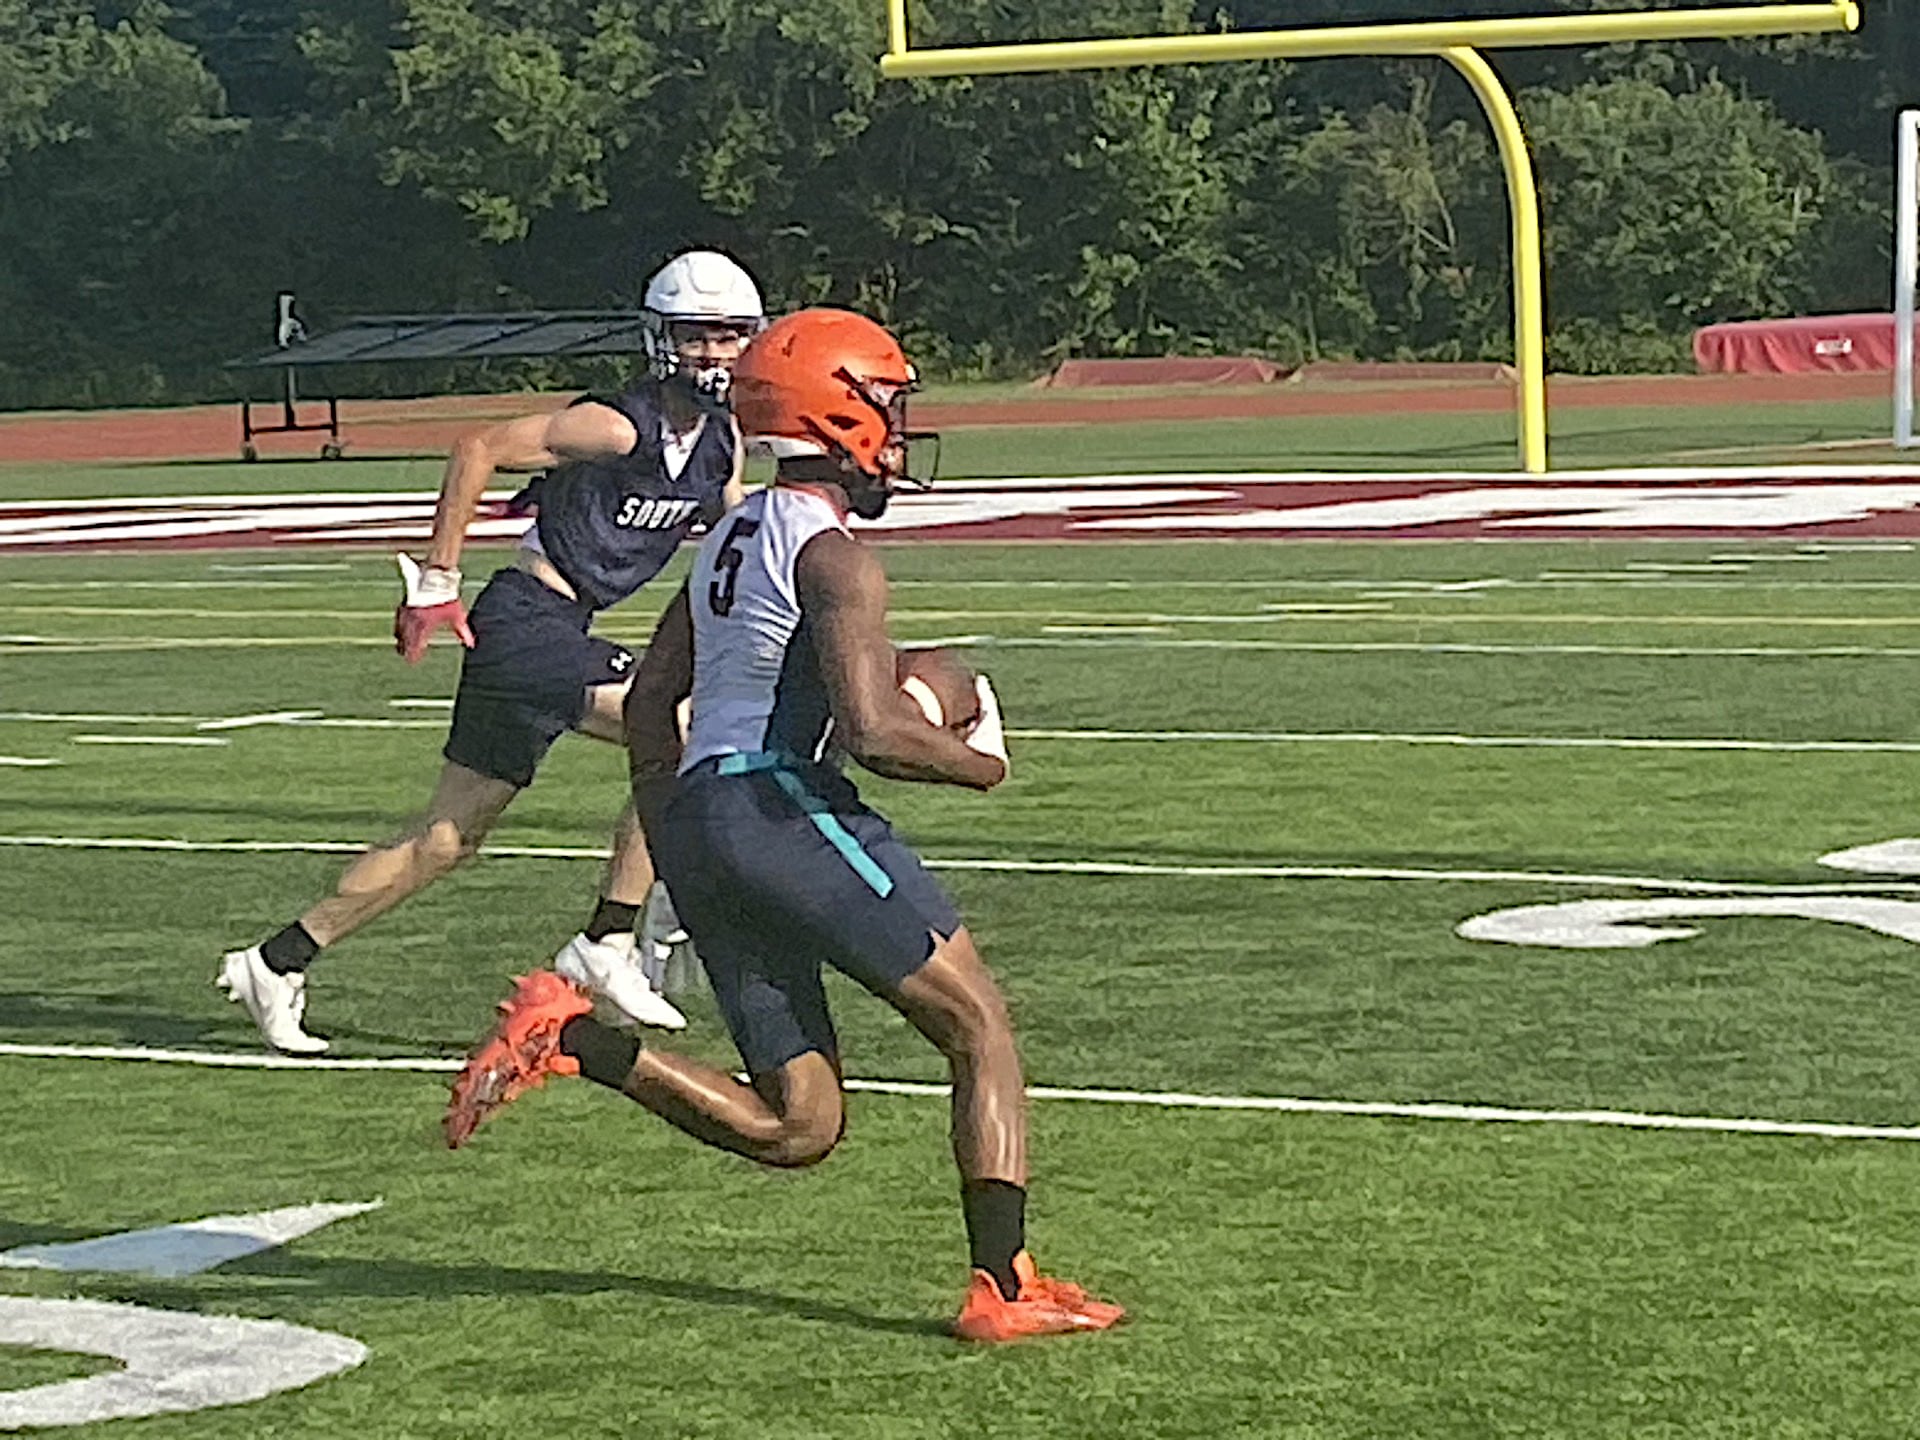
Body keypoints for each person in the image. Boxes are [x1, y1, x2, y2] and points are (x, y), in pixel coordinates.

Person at [442, 308, 1124, 1342]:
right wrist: (978, 761)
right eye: (887, 405)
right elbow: (874, 728)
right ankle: (1004, 1284)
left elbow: (656, 698)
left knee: (798, 1124)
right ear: (839, 410)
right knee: (977, 1024)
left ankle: (574, 1037)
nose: (898, 429)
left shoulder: (725, 533)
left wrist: (680, 839)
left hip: (711, 818)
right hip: (777, 802)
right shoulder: (834, 556)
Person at [217, 249, 764, 1054]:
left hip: (555, 635)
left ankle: (278, 960)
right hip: (525, 621)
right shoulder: (617, 424)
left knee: (446, 838)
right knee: (676, 726)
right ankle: (609, 939)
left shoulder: (721, 441)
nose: (714, 354)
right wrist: (438, 578)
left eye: (729, 336)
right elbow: (477, 447)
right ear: (660, 340)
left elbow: (730, 528)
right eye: (697, 336)